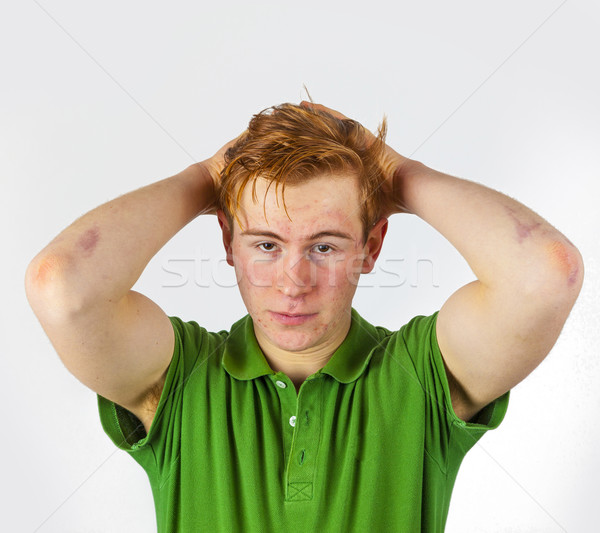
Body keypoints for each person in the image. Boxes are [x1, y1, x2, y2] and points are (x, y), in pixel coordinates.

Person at [25, 101, 583, 532]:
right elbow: (62, 286)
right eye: (265, 245)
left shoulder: (423, 375)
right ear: (227, 241)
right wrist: (207, 176)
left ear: (372, 246)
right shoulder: (179, 379)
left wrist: (394, 172)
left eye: (325, 247)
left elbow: (545, 275)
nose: (293, 282)